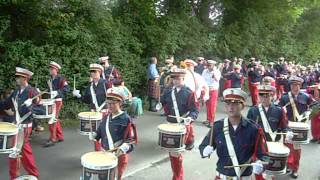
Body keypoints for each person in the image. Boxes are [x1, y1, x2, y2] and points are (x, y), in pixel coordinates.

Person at [199, 88, 267, 180]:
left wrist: (262, 164)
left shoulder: (254, 129)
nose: (231, 107)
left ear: (242, 106)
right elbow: (203, 145)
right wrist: (204, 151)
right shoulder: (217, 127)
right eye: (228, 103)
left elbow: (265, 156)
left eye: (235, 103)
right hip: (221, 177)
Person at [0, 67, 39, 180]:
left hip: (26, 125)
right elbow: (6, 104)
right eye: (16, 77)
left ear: (24, 78)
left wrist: (30, 106)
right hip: (16, 125)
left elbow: (40, 109)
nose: (16, 79)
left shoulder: (33, 92)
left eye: (18, 77)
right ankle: (15, 176)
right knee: (15, 150)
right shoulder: (16, 92)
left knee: (20, 150)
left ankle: (33, 175)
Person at [90, 87, 137, 180]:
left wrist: (124, 147)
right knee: (104, 176)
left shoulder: (126, 119)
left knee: (114, 177)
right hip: (105, 153)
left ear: (120, 103)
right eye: (108, 103)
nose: (109, 106)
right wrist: (95, 135)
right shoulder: (106, 116)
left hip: (119, 155)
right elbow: (101, 131)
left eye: (113, 103)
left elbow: (131, 140)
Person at [160, 68, 199, 180]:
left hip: (182, 126)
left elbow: (194, 110)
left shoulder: (189, 93)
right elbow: (163, 102)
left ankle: (178, 177)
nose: (175, 81)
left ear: (183, 78)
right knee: (172, 152)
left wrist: (190, 118)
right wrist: (161, 106)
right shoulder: (168, 91)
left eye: (178, 79)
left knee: (175, 153)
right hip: (170, 125)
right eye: (174, 79)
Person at [279, 76, 314, 178]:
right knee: (287, 148)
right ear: (290, 86)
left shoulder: (306, 96)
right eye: (294, 85)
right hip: (287, 126)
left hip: (300, 128)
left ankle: (295, 169)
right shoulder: (285, 97)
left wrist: (309, 113)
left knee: (297, 151)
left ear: (300, 85)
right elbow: (278, 110)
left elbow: (316, 106)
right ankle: (288, 166)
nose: (296, 87)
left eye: (298, 85)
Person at [73, 63, 112, 150]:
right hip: (94, 114)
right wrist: (78, 96)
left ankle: (106, 151)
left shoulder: (107, 84)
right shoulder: (90, 86)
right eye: (91, 72)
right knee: (95, 135)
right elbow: (86, 100)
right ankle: (97, 152)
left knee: (105, 134)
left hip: (105, 112)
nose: (93, 73)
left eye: (95, 71)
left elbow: (113, 99)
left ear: (100, 72)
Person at [43, 61, 70, 147]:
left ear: (56, 70)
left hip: (57, 101)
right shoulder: (50, 79)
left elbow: (67, 89)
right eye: (50, 68)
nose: (50, 70)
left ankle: (53, 138)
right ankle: (60, 136)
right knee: (55, 118)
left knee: (52, 119)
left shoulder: (61, 78)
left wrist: (57, 92)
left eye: (52, 69)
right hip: (51, 101)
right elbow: (49, 90)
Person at [202, 60, 221, 127]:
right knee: (207, 105)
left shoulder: (217, 71)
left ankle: (211, 121)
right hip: (206, 89)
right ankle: (208, 119)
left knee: (212, 106)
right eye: (208, 65)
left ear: (213, 66)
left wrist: (214, 75)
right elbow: (203, 79)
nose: (208, 66)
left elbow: (217, 79)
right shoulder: (205, 71)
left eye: (210, 65)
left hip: (213, 90)